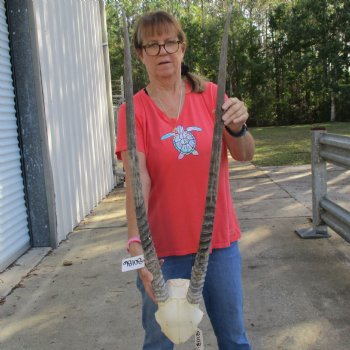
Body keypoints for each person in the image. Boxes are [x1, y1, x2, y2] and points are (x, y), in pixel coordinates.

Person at [116, 10, 255, 350]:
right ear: (140, 53)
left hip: (218, 245)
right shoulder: (133, 110)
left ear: (182, 47)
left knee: (234, 339)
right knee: (160, 342)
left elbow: (245, 153)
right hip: (162, 252)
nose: (163, 51)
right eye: (152, 45)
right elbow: (139, 179)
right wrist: (136, 243)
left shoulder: (211, 96)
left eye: (169, 42)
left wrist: (237, 126)